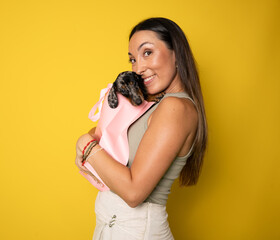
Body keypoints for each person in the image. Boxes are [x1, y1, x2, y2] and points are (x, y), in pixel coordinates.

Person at [75, 17, 207, 240]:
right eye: (133, 60)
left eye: (147, 53)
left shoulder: (175, 108)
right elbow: (107, 132)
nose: (139, 68)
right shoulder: (157, 104)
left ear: (177, 54)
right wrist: (91, 141)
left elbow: (134, 192)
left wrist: (85, 144)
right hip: (116, 227)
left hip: (135, 231)